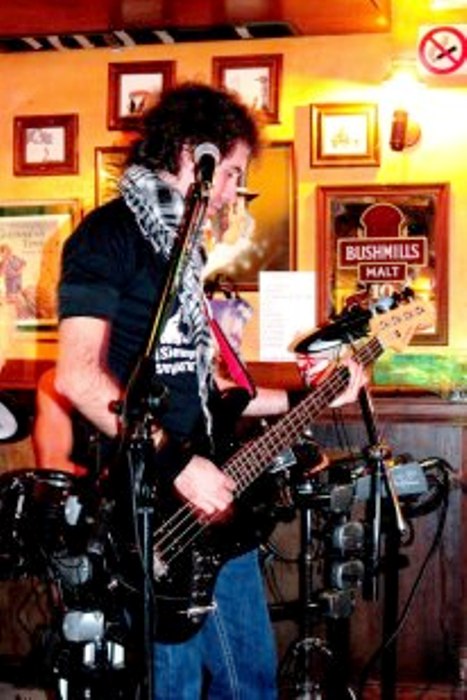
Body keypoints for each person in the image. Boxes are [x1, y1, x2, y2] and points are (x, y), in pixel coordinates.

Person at [52, 82, 365, 699]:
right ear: (192, 156)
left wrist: (316, 396)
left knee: (248, 682)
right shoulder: (108, 235)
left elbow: (213, 389)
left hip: (212, 493)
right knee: (181, 685)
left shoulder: (185, 251)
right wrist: (177, 463)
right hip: (152, 501)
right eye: (232, 174)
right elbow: (78, 377)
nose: (232, 193)